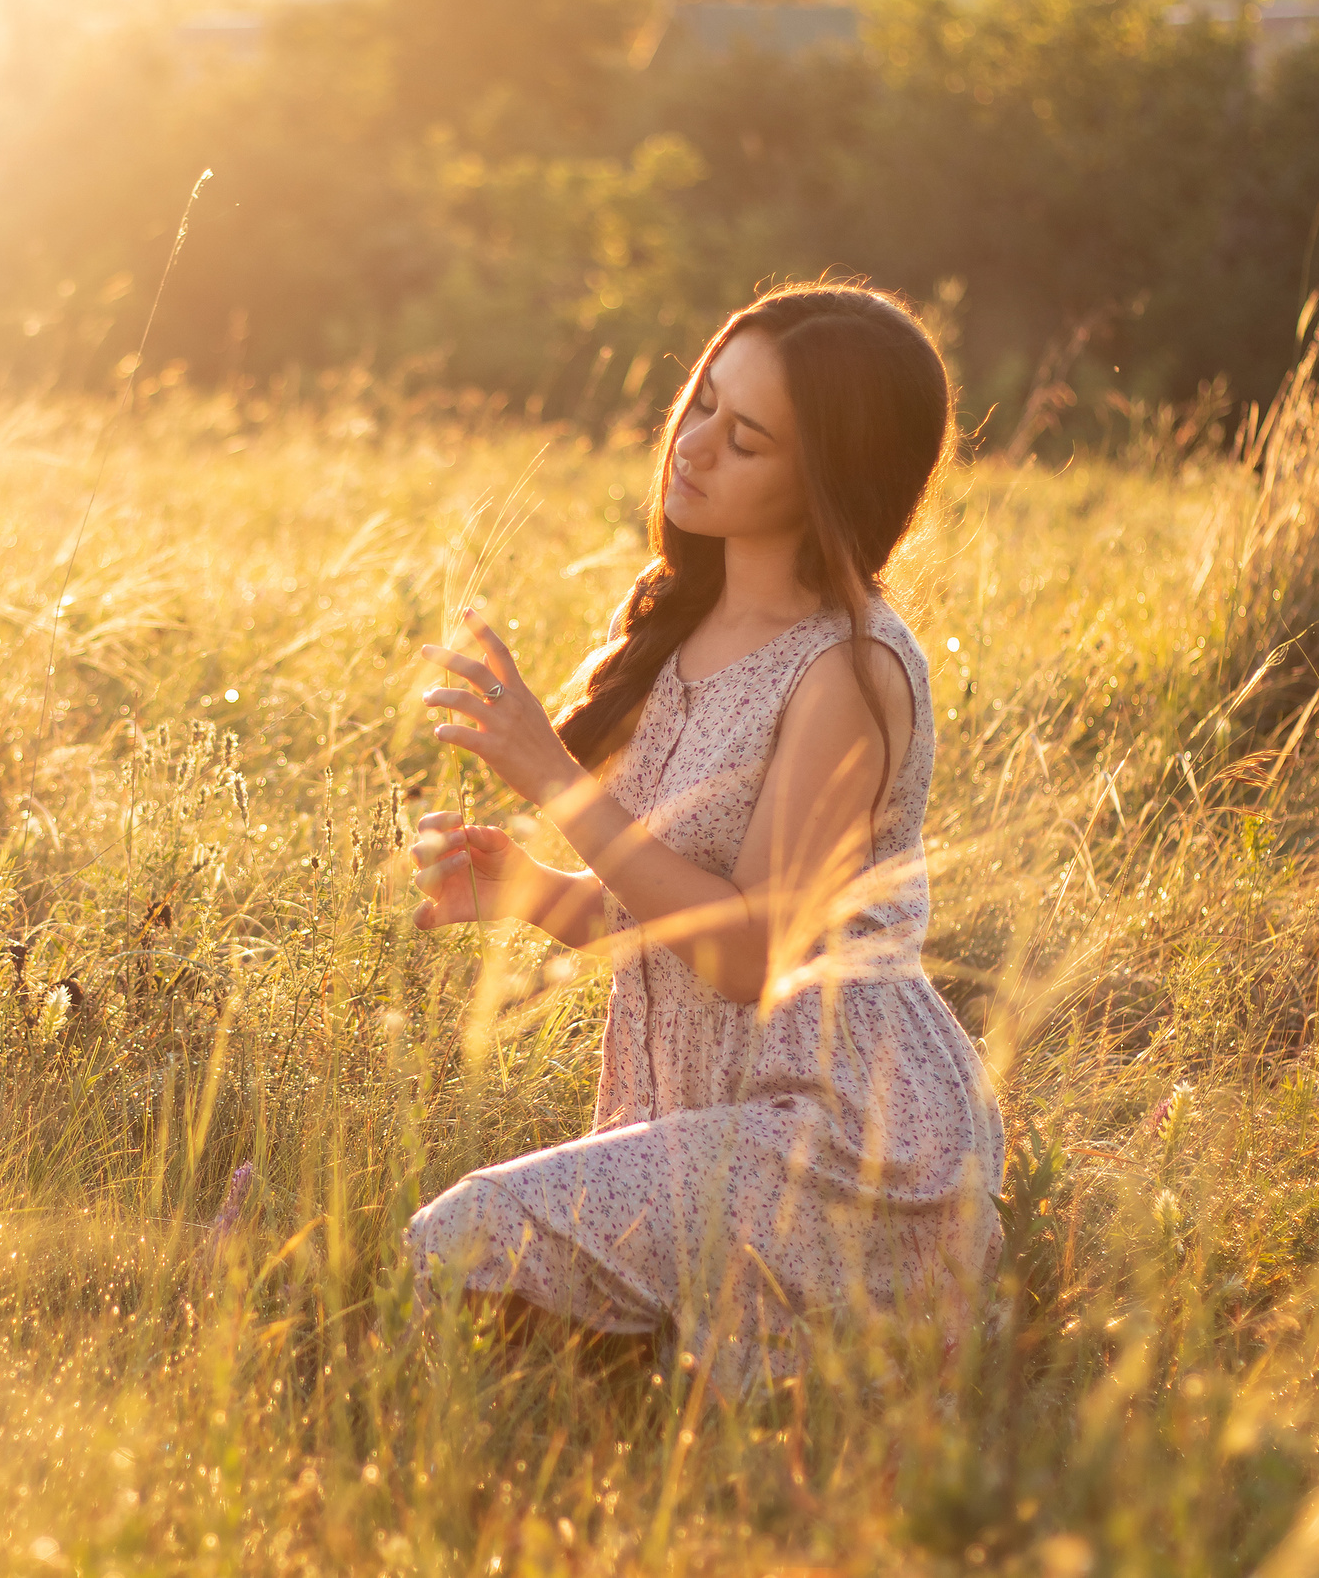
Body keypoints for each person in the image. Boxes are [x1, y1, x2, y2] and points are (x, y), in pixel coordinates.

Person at [402, 282, 1004, 1390]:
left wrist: (551, 775)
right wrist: (533, 892)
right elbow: (672, 906)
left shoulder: (851, 669)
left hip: (835, 1142)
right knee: (450, 1282)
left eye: (748, 437)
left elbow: (748, 956)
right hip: (712, 1114)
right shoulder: (688, 620)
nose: (696, 446)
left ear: (827, 477)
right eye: (703, 404)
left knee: (462, 1239)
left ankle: (890, 1334)